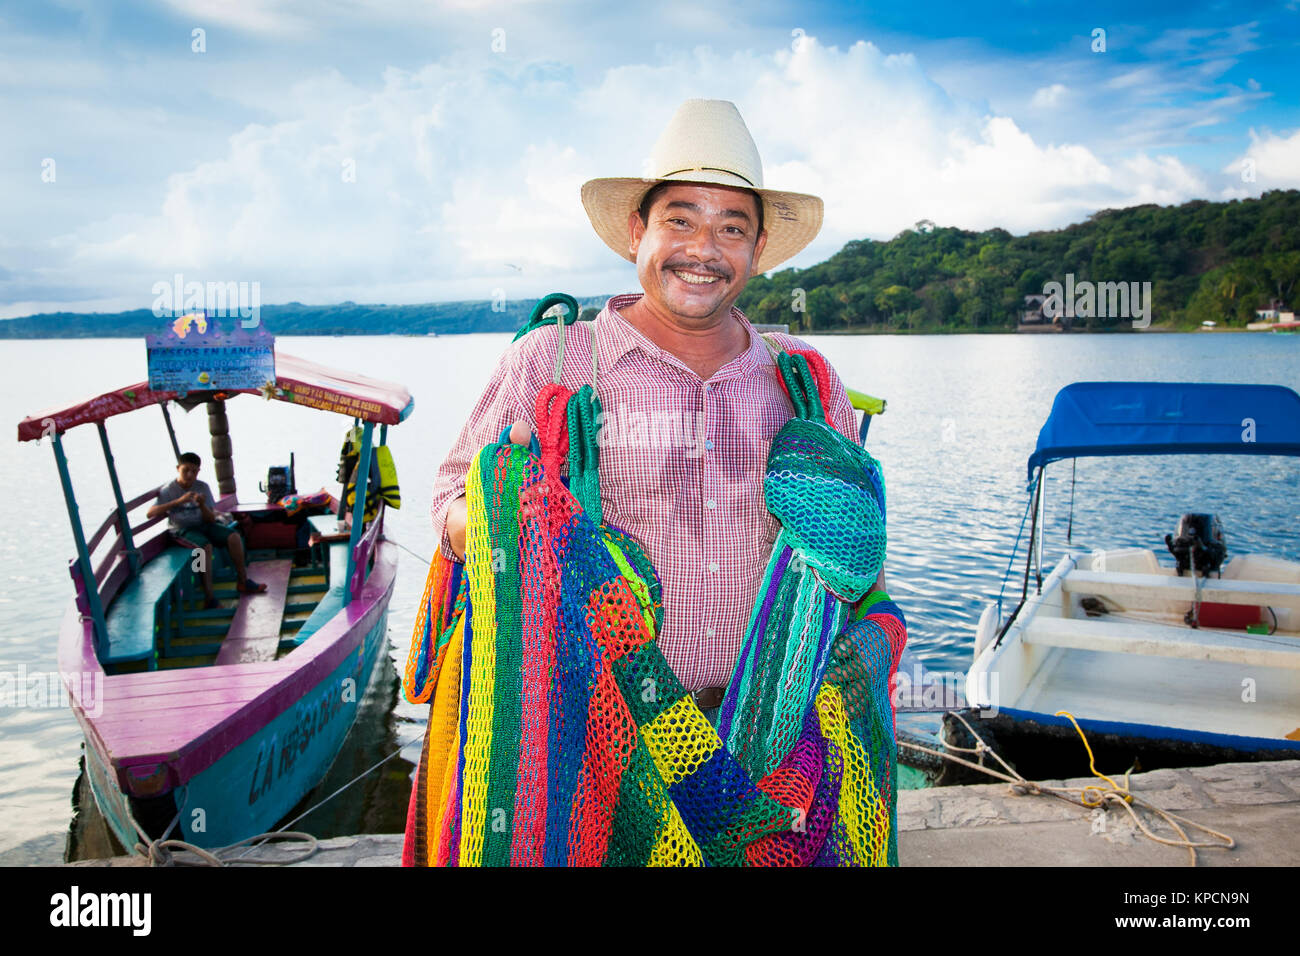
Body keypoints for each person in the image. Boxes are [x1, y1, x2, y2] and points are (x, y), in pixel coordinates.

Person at [428, 99, 895, 721]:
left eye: (732, 229)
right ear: (636, 232)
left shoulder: (805, 379)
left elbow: (860, 550)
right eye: (679, 220)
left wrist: (870, 646)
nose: (703, 250)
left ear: (757, 249)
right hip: (595, 729)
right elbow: (448, 504)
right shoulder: (552, 361)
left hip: (774, 727)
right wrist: (509, 510)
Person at [147, 452, 267, 608]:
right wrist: (178, 501)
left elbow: (210, 519)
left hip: (203, 525)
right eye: (186, 470)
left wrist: (202, 505)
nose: (190, 475)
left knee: (234, 537)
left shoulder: (202, 487)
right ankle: (209, 597)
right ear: (178, 469)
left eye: (194, 471)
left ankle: (243, 581)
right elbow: (150, 513)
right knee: (204, 549)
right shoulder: (169, 490)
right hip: (181, 530)